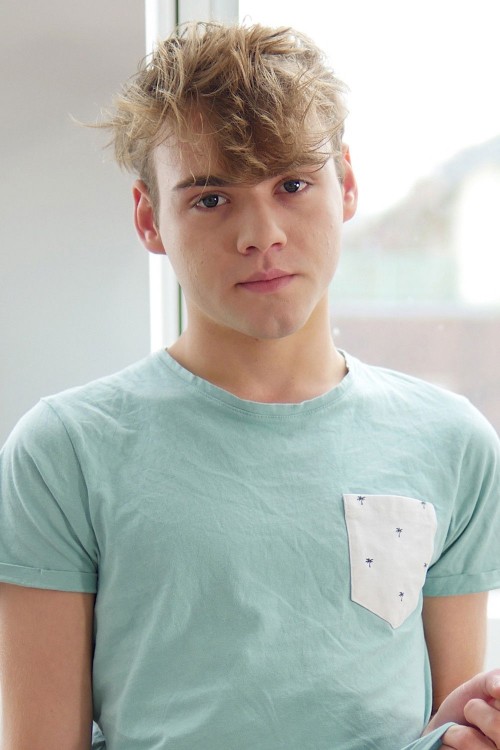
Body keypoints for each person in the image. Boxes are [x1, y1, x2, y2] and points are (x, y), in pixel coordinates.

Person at [0, 20, 499, 750]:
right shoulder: (63, 452)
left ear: (346, 185)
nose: (261, 234)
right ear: (150, 218)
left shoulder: (453, 442)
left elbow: (447, 726)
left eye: (292, 184)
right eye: (211, 199)